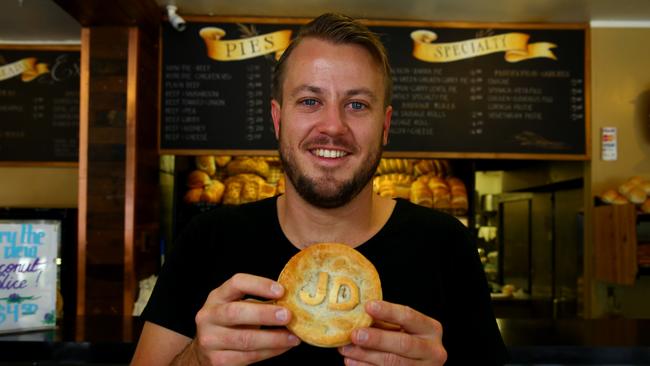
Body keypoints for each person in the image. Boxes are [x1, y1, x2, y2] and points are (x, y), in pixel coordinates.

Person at [131, 13, 508, 366]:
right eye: (310, 101)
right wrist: (198, 358)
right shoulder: (207, 240)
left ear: (385, 126)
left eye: (357, 104)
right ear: (278, 120)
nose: (333, 126)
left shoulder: (447, 246)